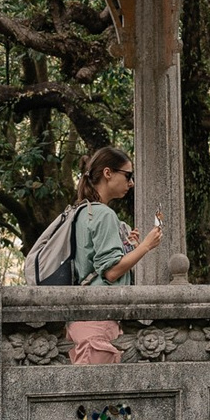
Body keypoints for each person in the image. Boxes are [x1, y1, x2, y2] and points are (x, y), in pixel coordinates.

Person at [59, 146, 161, 366]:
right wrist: (145, 246)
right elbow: (111, 272)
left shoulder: (82, 211)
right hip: (98, 320)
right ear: (108, 173)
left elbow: (91, 263)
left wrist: (128, 249)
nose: (131, 183)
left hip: (81, 319)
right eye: (128, 176)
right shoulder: (104, 214)